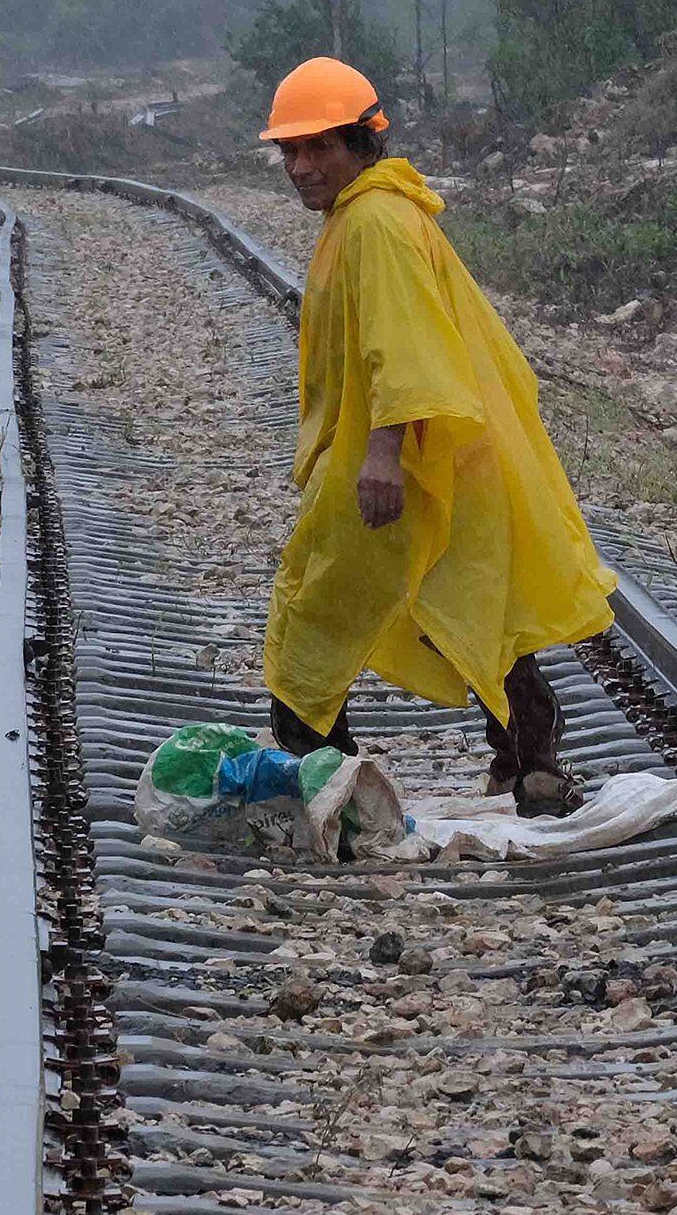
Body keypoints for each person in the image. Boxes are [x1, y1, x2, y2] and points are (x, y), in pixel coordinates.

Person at [259, 55, 617, 816]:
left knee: (311, 611)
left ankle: (328, 788)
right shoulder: (368, 215)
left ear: (362, 143)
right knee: (469, 601)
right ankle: (531, 768)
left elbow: (404, 347)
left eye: (318, 146)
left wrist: (383, 456)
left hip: (403, 456)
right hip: (439, 451)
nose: (299, 167)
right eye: (289, 151)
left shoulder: (376, 224)